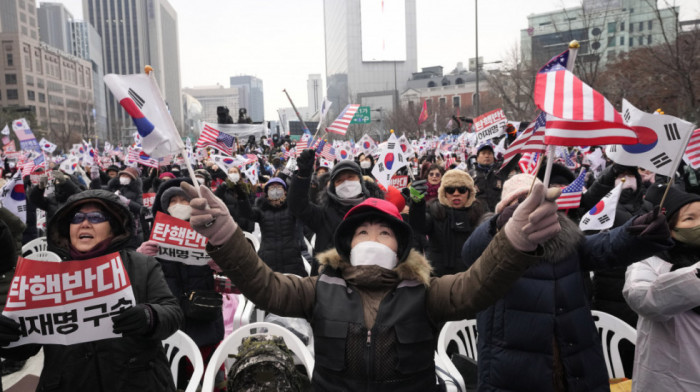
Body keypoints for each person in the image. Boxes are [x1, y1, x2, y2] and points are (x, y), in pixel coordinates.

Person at [181, 179, 562, 391]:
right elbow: (264, 286)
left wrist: (514, 240)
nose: (373, 238)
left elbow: (476, 286)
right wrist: (227, 234)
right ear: (348, 246)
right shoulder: (319, 288)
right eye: (362, 231)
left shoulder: (426, 293)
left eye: (384, 232)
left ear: (400, 247)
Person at [461, 174, 673, 392]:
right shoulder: (491, 238)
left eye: (535, 199)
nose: (530, 207)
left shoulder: (567, 238)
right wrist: (503, 224)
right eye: (521, 201)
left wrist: (637, 230)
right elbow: (470, 253)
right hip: (514, 366)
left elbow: (605, 247)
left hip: (575, 358)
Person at [0, 189, 183, 391]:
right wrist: (9, 336)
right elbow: (26, 347)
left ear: (114, 227)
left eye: (96, 217)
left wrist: (150, 316)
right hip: (68, 382)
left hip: (137, 381)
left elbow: (172, 313)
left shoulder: (142, 265)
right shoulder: (46, 276)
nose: (84, 223)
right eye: (77, 218)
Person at [138, 178, 224, 389]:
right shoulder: (154, 235)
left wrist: (220, 263)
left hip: (203, 315)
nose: (178, 205)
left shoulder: (208, 230)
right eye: (172, 201)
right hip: (169, 317)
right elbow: (137, 276)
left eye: (183, 200)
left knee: (208, 378)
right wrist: (140, 256)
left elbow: (233, 273)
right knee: (173, 378)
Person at [623, 184, 700, 392]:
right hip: (669, 378)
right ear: (669, 226)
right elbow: (643, 299)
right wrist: (696, 276)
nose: (698, 224)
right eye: (689, 219)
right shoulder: (648, 259)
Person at [288, 149, 375, 259]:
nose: (346, 183)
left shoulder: (375, 211)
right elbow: (297, 205)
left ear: (360, 180)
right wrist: (303, 175)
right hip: (329, 274)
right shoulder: (324, 215)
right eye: (339, 181)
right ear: (334, 188)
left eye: (350, 177)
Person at [409, 169, 484, 276]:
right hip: (438, 276)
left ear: (469, 192)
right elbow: (419, 226)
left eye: (462, 190)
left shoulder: (478, 212)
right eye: (450, 190)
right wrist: (417, 204)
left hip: (468, 277)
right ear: (444, 192)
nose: (456, 194)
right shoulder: (435, 209)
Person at [251, 177, 308, 276]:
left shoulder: (292, 208)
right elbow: (247, 213)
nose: (275, 190)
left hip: (292, 259)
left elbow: (303, 202)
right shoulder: (261, 210)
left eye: (278, 187)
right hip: (268, 259)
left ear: (285, 191)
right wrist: (242, 198)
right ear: (267, 192)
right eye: (272, 188)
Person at [213, 166, 255, 232]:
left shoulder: (246, 188)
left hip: (243, 227)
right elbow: (214, 200)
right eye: (231, 172)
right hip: (227, 225)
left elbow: (251, 207)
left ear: (239, 175)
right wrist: (221, 188)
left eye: (235, 172)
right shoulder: (223, 188)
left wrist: (250, 226)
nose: (233, 174)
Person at [469, 143, 505, 212]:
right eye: (483, 153)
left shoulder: (501, 170)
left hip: (499, 213)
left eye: (489, 153)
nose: (487, 156)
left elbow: (515, 157)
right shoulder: (470, 175)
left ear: (493, 157)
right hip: (479, 215)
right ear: (477, 158)